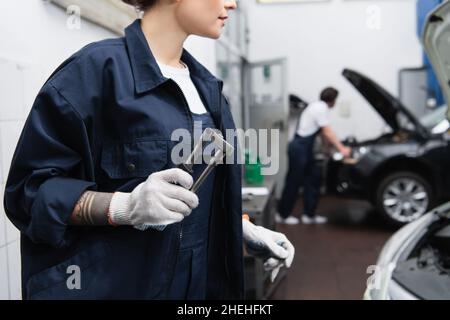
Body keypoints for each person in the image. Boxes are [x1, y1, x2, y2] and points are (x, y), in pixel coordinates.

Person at [3, 0, 294, 300]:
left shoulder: (208, 90)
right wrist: (124, 207)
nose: (231, 4)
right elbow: (28, 193)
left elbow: (196, 196)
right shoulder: (95, 73)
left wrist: (239, 228)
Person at [277, 87, 352, 225]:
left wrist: (326, 149)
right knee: (294, 181)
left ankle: (309, 215)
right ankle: (283, 215)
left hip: (306, 149)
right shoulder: (321, 108)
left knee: (313, 179)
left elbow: (323, 133)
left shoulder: (318, 107)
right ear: (333, 100)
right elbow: (327, 131)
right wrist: (342, 148)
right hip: (299, 147)